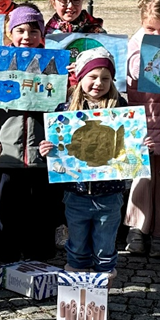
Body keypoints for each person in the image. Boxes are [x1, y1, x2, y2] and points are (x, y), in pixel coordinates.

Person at [40, 48, 126, 280]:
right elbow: (57, 146)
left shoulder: (121, 108)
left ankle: (103, 285)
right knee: (77, 244)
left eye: (105, 78)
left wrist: (141, 145)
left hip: (110, 193)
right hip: (75, 193)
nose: (99, 83)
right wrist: (47, 149)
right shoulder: (65, 110)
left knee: (105, 246)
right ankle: (77, 285)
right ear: (80, 78)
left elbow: (129, 144)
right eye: (93, 77)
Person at [0, 4, 61, 262]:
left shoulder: (54, 64)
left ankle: (38, 254)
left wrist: (70, 79)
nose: (27, 37)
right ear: (10, 33)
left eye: (33, 31)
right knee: (6, 207)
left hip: (41, 154)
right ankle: (5, 255)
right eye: (20, 30)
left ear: (42, 35)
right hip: (7, 152)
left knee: (40, 209)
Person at [123, 0, 160, 258]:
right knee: (141, 177)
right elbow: (135, 74)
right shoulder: (133, 45)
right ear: (141, 23)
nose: (158, 34)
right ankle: (136, 230)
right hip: (142, 122)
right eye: (151, 29)